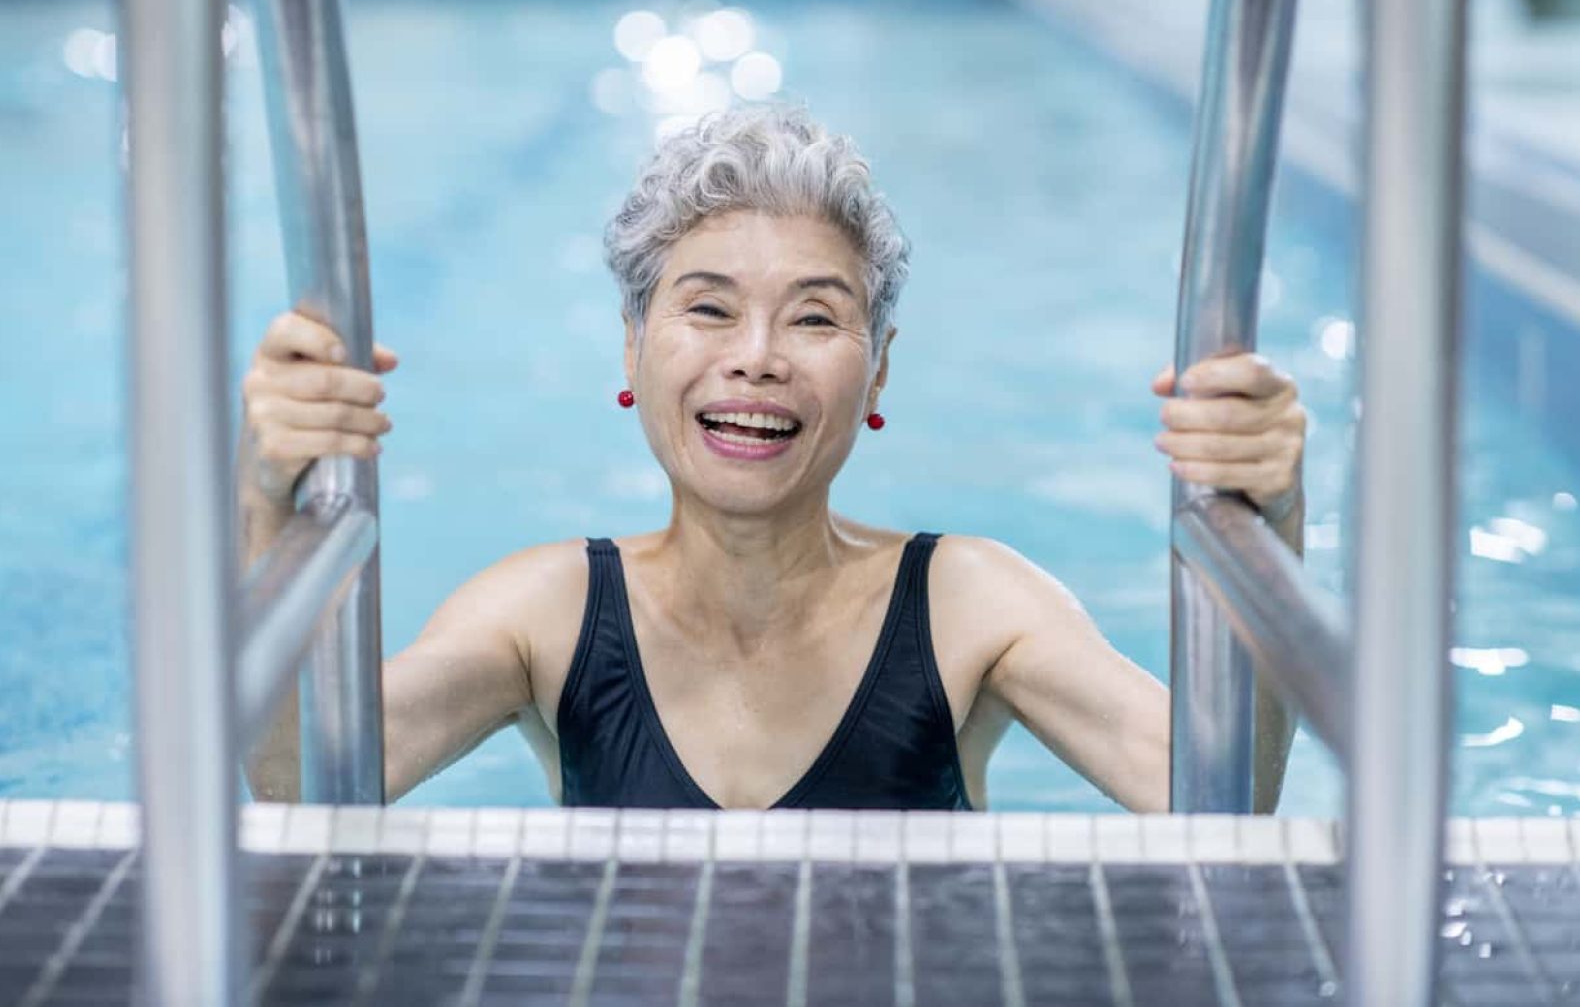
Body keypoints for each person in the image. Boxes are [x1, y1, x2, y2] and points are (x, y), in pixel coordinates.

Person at [241, 105, 1306, 812]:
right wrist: (264, 493)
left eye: (812, 319)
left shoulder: (969, 603)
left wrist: (1266, 512)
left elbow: (1213, 798)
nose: (754, 360)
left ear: (877, 372)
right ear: (633, 346)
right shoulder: (545, 613)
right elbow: (300, 791)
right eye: (706, 308)